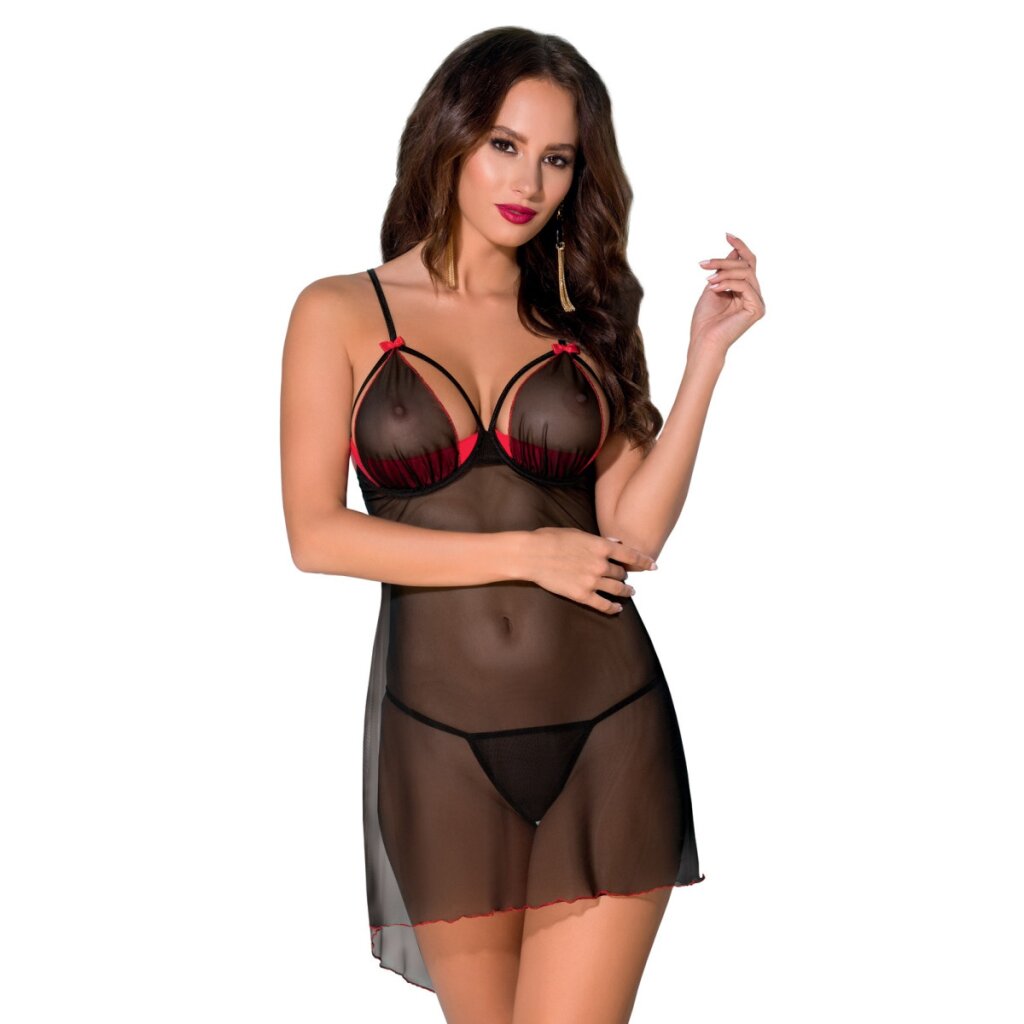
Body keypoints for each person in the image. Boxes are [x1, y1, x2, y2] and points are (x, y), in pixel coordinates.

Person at [280, 25, 764, 1024]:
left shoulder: (582, 320)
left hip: (609, 727)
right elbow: (316, 535)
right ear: (451, 135)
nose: (527, 181)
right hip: (439, 745)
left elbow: (632, 538)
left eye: (557, 158)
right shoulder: (337, 311)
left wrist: (705, 359)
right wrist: (526, 553)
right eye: (505, 144)